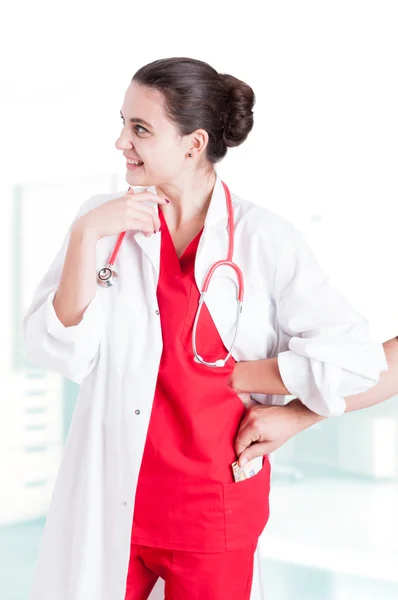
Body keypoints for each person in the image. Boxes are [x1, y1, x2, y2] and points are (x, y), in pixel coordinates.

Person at [22, 57, 393, 600]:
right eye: (123, 122)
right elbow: (59, 353)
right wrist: (84, 236)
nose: (120, 141)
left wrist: (261, 384)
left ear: (194, 143)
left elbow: (355, 360)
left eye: (140, 129)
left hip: (211, 509)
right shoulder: (104, 222)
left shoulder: (265, 239)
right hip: (113, 498)